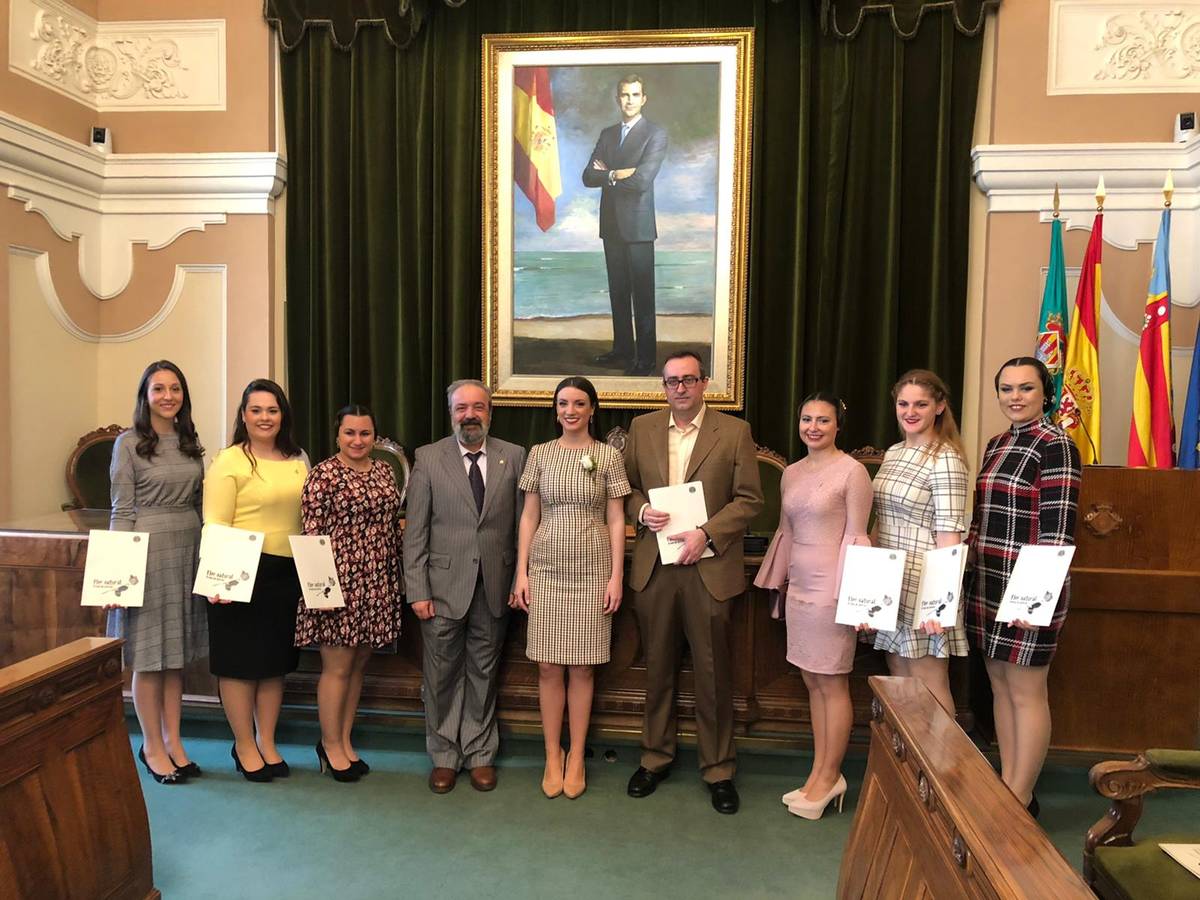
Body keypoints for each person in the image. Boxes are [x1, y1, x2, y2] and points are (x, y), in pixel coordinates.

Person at [622, 350, 763, 814]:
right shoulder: (641, 429)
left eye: (688, 380)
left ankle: (719, 768)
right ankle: (654, 757)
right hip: (655, 567)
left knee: (713, 674)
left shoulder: (734, 432)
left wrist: (707, 533)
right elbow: (624, 491)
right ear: (662, 387)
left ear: (704, 383)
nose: (680, 388)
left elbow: (749, 501)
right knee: (657, 669)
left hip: (709, 567)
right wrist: (641, 511)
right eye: (671, 381)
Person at [965, 357, 1081, 818]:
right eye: (1007, 388)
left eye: (1026, 388)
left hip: (1030, 585)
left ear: (1045, 393)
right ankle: (1012, 788)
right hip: (988, 583)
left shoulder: (1057, 445)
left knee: (1027, 690)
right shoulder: (997, 443)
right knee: (998, 684)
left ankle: (1018, 797)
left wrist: (1033, 597)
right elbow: (982, 518)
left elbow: (1058, 530)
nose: (1015, 397)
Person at [403, 379, 526, 794]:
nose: (470, 415)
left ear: (490, 412)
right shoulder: (428, 458)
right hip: (440, 588)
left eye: (478, 407)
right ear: (451, 412)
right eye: (461, 408)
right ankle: (443, 755)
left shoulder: (515, 456)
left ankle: (478, 753)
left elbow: (522, 525)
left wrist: (518, 578)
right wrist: (417, 589)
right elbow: (415, 531)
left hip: (495, 585)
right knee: (440, 675)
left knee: (484, 672)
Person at [754, 392, 872, 820]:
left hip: (833, 588)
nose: (814, 427)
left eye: (823, 420)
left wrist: (854, 598)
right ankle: (819, 772)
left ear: (838, 426)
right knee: (812, 681)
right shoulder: (791, 472)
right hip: (800, 585)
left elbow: (857, 536)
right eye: (806, 419)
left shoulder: (853, 472)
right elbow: (785, 531)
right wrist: (778, 580)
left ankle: (830, 775)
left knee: (833, 681)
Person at [511, 377, 629, 799]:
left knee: (582, 666)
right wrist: (521, 573)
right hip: (546, 570)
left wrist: (616, 576)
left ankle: (577, 754)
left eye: (579, 403)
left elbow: (617, 518)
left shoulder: (608, 456)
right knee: (546, 665)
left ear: (593, 409)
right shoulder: (540, 454)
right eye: (563, 403)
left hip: (593, 571)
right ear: (555, 409)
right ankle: (551, 753)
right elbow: (528, 516)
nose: (571, 410)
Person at [107, 360, 207, 785]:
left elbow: (202, 501)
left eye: (176, 389)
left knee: (175, 656)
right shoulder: (128, 444)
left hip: (188, 545)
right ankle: (151, 747)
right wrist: (116, 573)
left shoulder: (190, 439)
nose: (168, 396)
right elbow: (121, 509)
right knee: (149, 657)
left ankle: (175, 740)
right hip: (145, 550)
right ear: (144, 396)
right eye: (159, 389)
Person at [204, 378, 309, 783]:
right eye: (256, 410)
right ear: (243, 416)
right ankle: (243, 744)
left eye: (272, 410)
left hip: (286, 572)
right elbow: (215, 521)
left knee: (273, 665)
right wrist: (219, 578)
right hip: (239, 570)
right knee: (239, 664)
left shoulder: (297, 457)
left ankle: (267, 740)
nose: (265, 418)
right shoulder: (229, 461)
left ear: (283, 415)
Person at [296, 404, 403, 783]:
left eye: (365, 433)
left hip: (376, 579)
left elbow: (391, 524)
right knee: (337, 667)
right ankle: (328, 744)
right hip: (336, 580)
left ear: (375, 436)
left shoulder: (383, 471)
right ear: (337, 435)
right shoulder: (323, 475)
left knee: (358, 665)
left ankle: (344, 740)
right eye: (350, 433)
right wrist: (322, 591)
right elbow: (311, 535)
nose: (358, 441)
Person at [869, 369, 970, 716]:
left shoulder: (947, 458)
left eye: (921, 404)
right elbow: (881, 521)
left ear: (939, 407)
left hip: (926, 584)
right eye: (903, 403)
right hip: (891, 581)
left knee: (928, 682)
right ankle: (909, 769)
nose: (910, 411)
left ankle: (941, 769)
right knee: (899, 680)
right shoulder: (894, 452)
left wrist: (938, 604)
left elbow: (950, 537)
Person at [581, 73, 669, 377]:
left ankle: (645, 358)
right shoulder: (607, 134)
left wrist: (608, 174)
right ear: (617, 98)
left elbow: (643, 181)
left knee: (642, 295)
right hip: (612, 227)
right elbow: (587, 177)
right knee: (618, 292)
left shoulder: (655, 134)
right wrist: (618, 174)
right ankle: (622, 350)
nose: (629, 100)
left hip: (639, 229)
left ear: (643, 99)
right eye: (624, 95)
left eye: (635, 95)